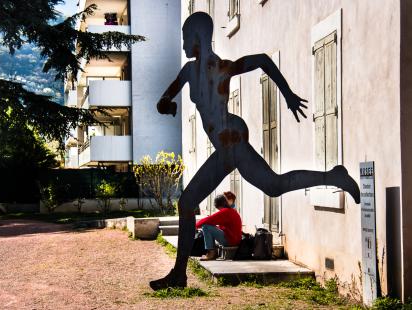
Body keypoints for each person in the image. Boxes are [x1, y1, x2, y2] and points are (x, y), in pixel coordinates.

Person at [149, 12, 360, 290]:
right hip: (225, 145)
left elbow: (261, 60)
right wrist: (166, 105)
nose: (184, 45)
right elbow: (165, 97)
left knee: (198, 201)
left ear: (197, 37)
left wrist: (287, 94)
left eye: (186, 38)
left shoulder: (224, 68)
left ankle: (178, 275)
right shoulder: (188, 72)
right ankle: (333, 176)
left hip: (232, 141)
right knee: (272, 185)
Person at [196, 194, 242, 260]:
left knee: (206, 226)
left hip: (230, 240)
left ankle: (211, 253)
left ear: (217, 205)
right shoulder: (231, 211)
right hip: (235, 239)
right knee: (210, 226)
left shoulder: (225, 211)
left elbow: (209, 219)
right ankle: (213, 251)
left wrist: (195, 226)